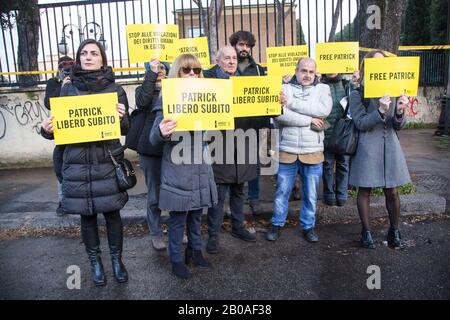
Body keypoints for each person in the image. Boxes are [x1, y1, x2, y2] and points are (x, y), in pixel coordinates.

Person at [41, 39, 130, 286]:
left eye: (94, 53)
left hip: (106, 162)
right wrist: (46, 129)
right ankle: (95, 263)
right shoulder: (67, 90)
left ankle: (116, 261)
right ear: (78, 59)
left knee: (113, 214)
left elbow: (125, 129)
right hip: (77, 164)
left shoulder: (115, 90)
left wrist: (122, 117)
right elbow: (59, 130)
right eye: (84, 53)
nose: (88, 57)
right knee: (87, 216)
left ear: (102, 59)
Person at [150, 53, 217, 279]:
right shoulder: (167, 98)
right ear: (177, 72)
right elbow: (153, 137)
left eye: (196, 71)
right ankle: (176, 259)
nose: (192, 74)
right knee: (179, 219)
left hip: (200, 165)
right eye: (186, 70)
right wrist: (162, 132)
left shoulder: (208, 97)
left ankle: (195, 252)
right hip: (178, 168)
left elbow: (215, 131)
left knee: (197, 214)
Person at [203, 45, 267, 254]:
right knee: (218, 196)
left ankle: (238, 227)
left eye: (233, 58)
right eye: (227, 58)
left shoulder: (246, 81)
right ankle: (213, 235)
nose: (231, 61)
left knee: (240, 191)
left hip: (244, 142)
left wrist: (276, 105)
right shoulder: (207, 81)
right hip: (220, 144)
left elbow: (261, 112)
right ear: (217, 60)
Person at [348, 51, 411, 250]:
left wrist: (399, 111)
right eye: (374, 64)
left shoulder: (394, 90)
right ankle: (366, 232)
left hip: (390, 146)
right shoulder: (358, 93)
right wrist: (380, 111)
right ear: (367, 68)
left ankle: (395, 230)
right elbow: (359, 123)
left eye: (383, 64)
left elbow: (398, 125)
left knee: (392, 191)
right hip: (367, 147)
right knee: (364, 190)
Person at [266, 58, 332, 242]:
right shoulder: (284, 88)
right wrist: (309, 120)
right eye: (304, 71)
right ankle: (277, 224)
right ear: (296, 71)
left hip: (313, 151)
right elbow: (279, 114)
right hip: (287, 149)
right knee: (281, 192)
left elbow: (323, 110)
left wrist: (291, 104)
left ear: (316, 73)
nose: (307, 75)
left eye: (311, 72)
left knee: (310, 194)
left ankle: (308, 226)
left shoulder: (323, 89)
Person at [129, 59, 170, 251]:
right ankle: (155, 232)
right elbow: (142, 103)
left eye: (162, 67)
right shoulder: (143, 89)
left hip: (173, 149)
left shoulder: (176, 88)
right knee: (155, 194)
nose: (159, 70)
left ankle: (177, 227)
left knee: (175, 192)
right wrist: (151, 78)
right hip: (150, 149)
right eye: (154, 68)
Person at [229, 30, 270, 216]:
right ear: (234, 45)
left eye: (247, 45)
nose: (244, 48)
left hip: (253, 125)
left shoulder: (260, 70)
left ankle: (254, 198)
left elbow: (266, 99)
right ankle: (232, 200)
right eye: (241, 45)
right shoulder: (226, 68)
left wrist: (266, 126)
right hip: (229, 125)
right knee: (230, 163)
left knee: (254, 163)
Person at [41, 55, 74, 216]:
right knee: (61, 165)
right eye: (63, 66)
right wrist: (62, 87)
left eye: (69, 66)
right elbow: (48, 102)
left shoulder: (79, 79)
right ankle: (63, 202)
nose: (66, 69)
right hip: (62, 131)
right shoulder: (53, 83)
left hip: (79, 128)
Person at [320, 73, 354, 207]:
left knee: (343, 164)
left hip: (343, 133)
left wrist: (356, 83)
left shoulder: (347, 84)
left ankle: (342, 194)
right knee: (327, 165)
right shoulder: (319, 85)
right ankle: (329, 194)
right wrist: (324, 127)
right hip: (326, 133)